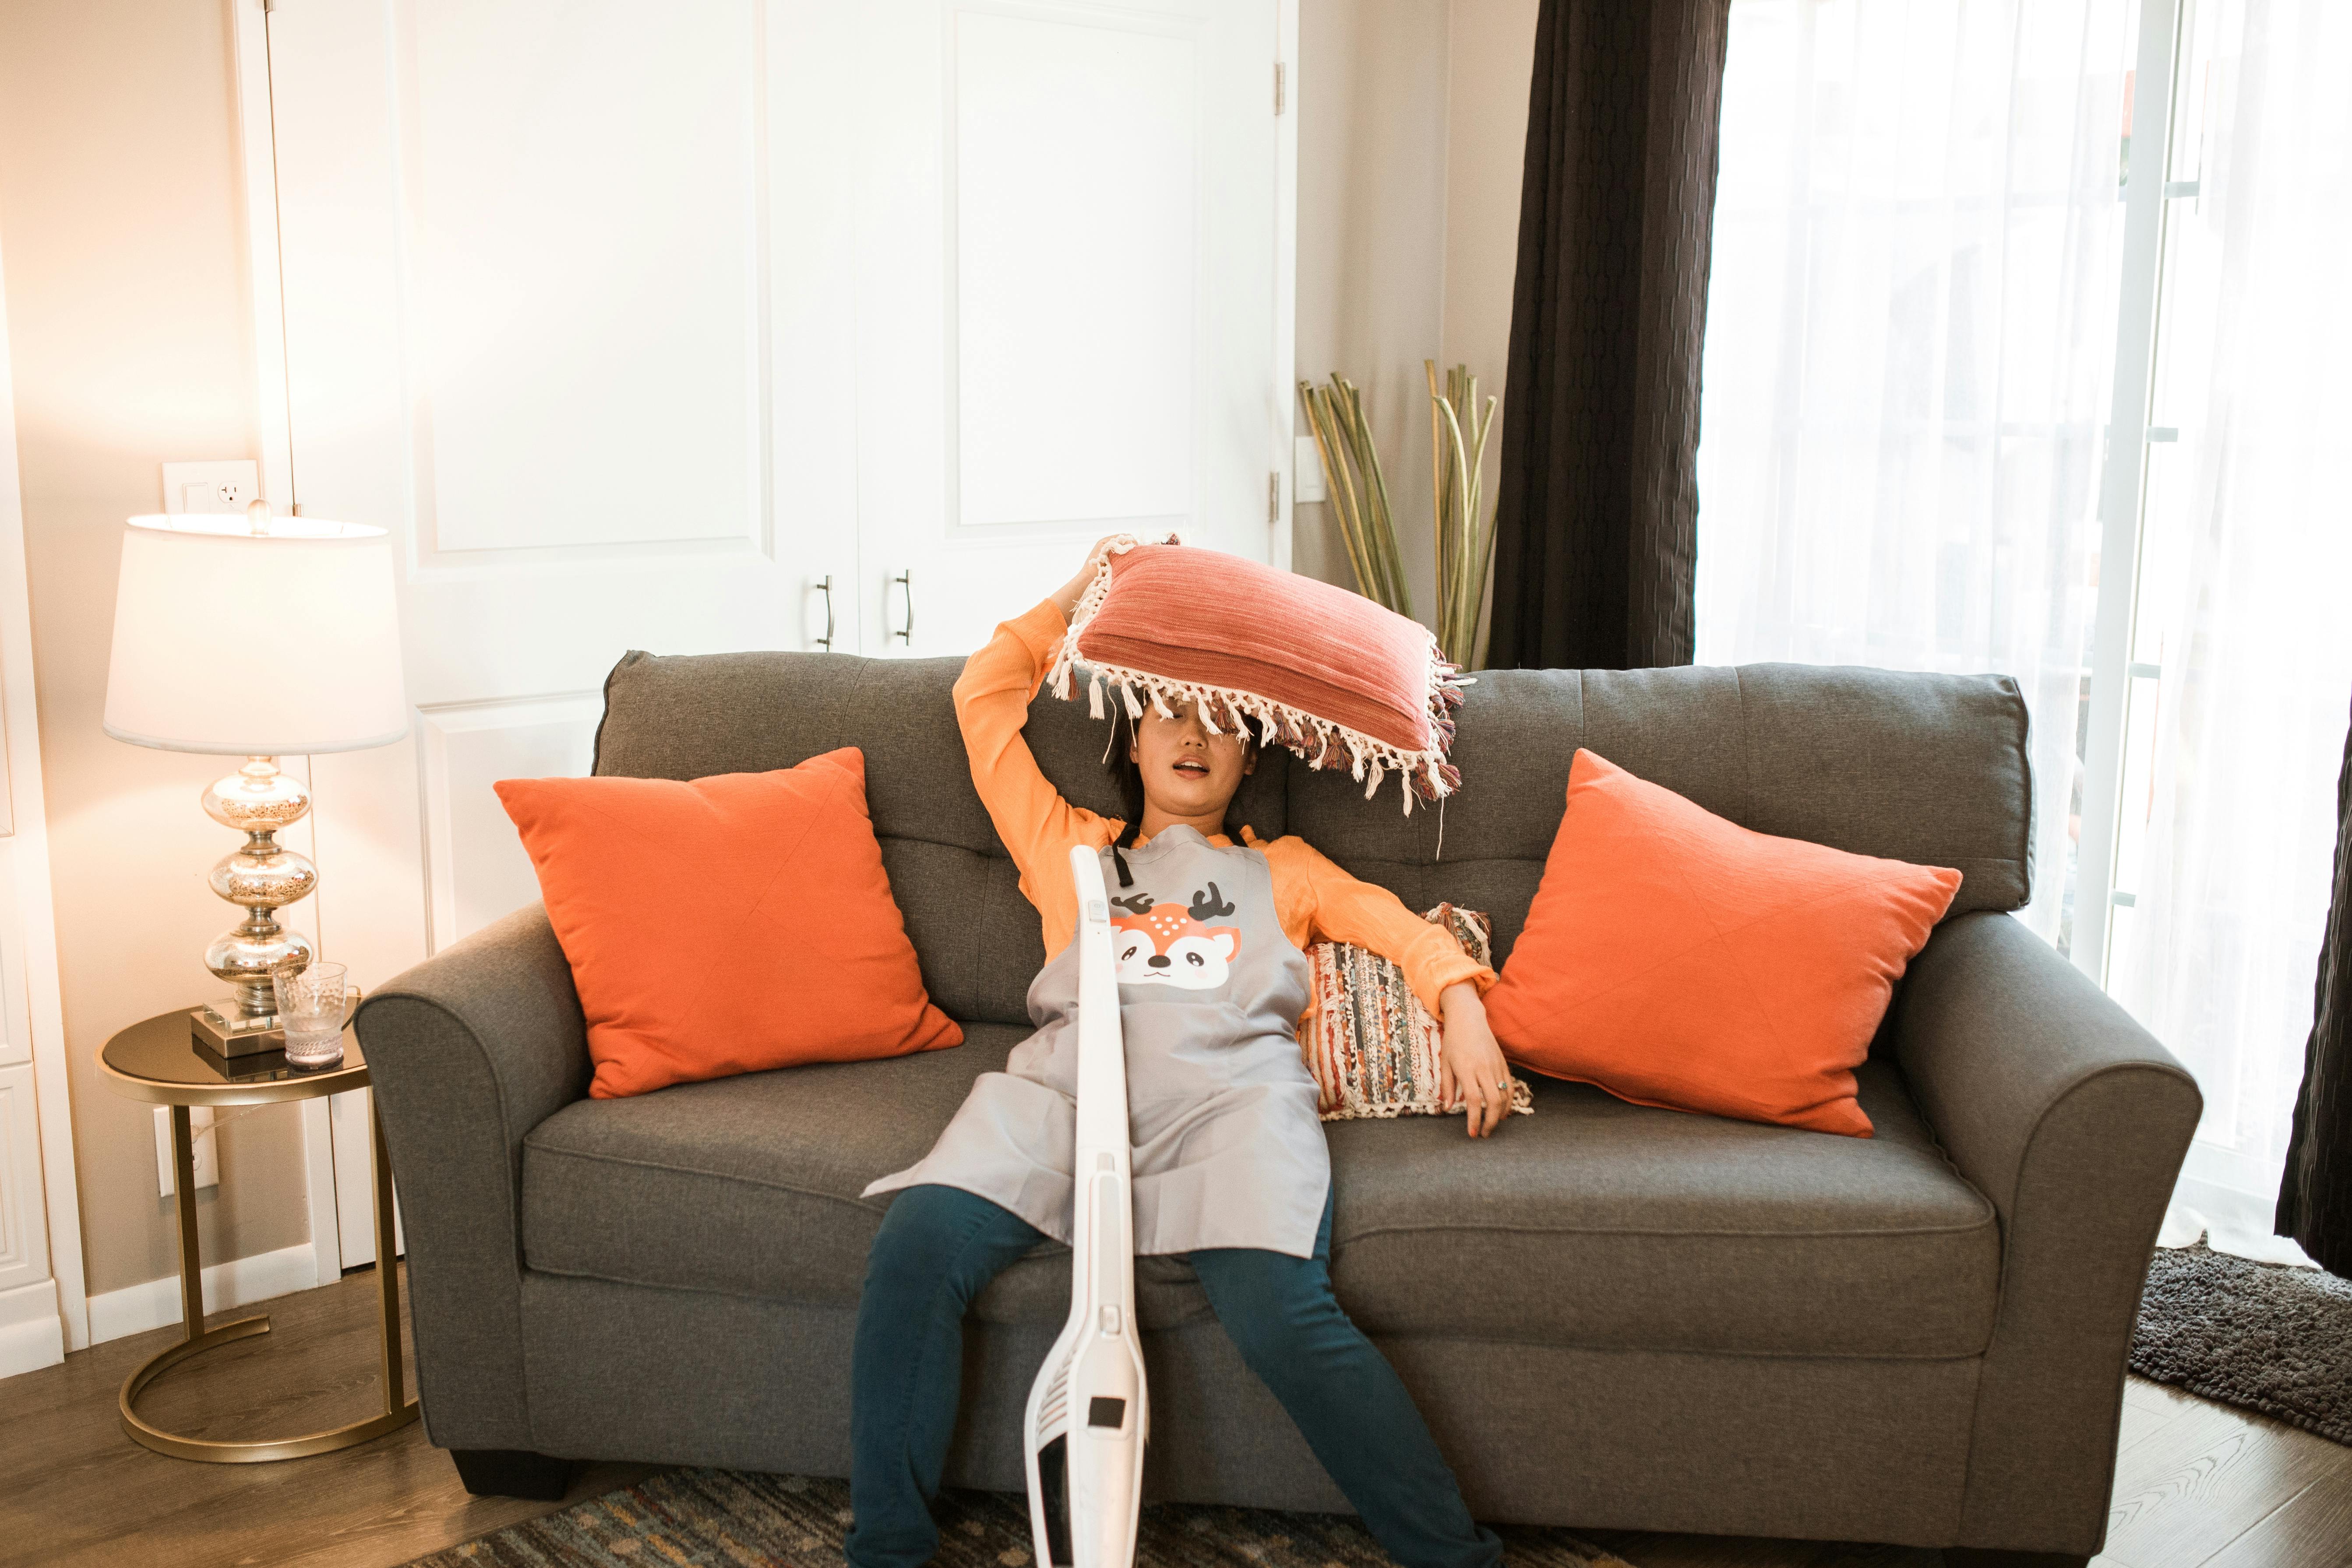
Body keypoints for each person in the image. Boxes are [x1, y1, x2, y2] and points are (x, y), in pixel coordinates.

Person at [846, 541, 1511, 1568]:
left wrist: (1464, 1009)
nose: (1195, 734)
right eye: (1172, 712)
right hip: (1064, 1102)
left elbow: (1402, 933)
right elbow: (983, 699)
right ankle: (886, 1550)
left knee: (1283, 1313)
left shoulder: (1287, 870)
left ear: (1251, 761)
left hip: (1229, 1110)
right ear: (1133, 736)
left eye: (1224, 725)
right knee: (915, 1247)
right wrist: (1081, 593)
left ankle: (1453, 1557)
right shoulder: (1068, 850)